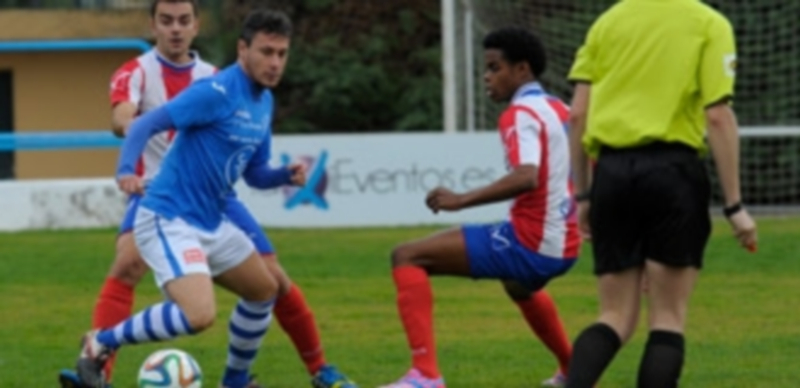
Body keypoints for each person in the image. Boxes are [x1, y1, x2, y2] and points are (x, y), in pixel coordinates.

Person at [58, 2, 356, 388]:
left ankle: (235, 381)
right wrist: (126, 170)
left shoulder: (263, 100)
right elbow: (142, 123)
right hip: (169, 214)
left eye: (282, 54)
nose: (275, 62)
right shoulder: (215, 90)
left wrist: (284, 174)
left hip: (213, 216)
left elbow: (254, 173)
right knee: (197, 314)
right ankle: (101, 343)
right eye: (266, 52)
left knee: (265, 288)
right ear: (242, 50)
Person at [564, 1, 758, 387]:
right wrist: (734, 205)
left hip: (613, 174)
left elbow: (577, 115)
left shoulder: (608, 22)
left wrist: (584, 195)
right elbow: (717, 116)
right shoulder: (707, 23)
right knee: (667, 319)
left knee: (614, 317)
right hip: (673, 172)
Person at [379, 27, 581, 388]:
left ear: (522, 70)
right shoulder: (562, 109)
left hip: (531, 243)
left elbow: (526, 176)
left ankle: (425, 376)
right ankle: (574, 373)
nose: (486, 77)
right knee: (519, 287)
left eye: (494, 67)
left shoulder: (519, 115)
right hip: (566, 244)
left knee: (407, 255)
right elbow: (587, 166)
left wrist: (460, 199)